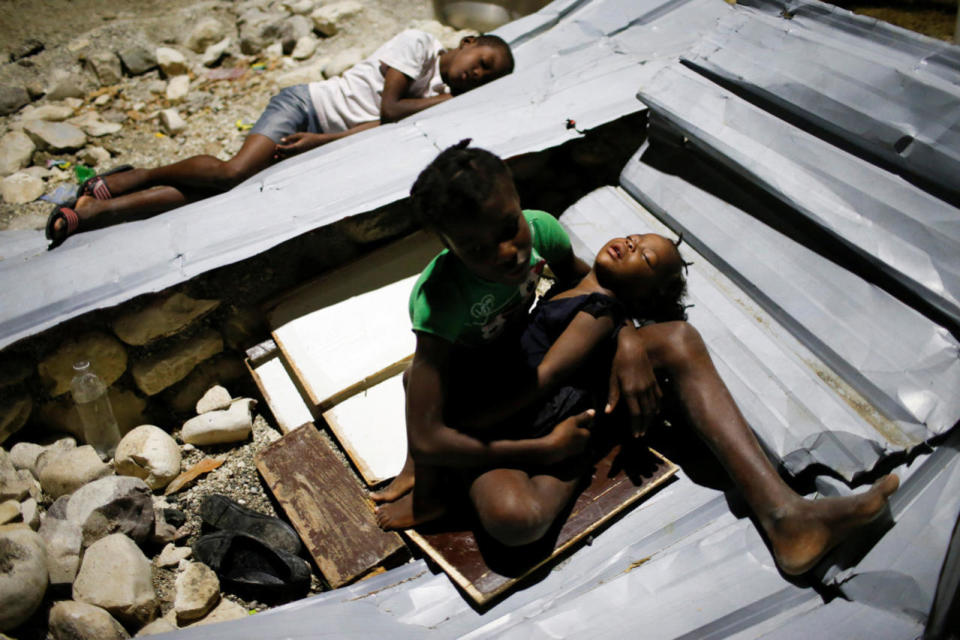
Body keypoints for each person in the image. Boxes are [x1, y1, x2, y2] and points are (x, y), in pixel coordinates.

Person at [374, 140, 899, 576]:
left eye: (510, 225)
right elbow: (428, 435)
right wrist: (540, 448)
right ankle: (571, 450)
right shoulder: (439, 299)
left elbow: (589, 287)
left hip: (553, 378)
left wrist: (625, 339)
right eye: (479, 247)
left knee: (678, 341)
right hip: (491, 417)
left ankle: (786, 517)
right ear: (445, 244)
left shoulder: (541, 230)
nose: (509, 252)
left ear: (517, 198)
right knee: (517, 522)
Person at [45, 30, 515, 247]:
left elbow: (378, 126)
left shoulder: (436, 94)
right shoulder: (420, 45)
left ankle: (97, 211)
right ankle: (136, 176)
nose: (474, 74)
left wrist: (318, 143)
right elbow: (391, 108)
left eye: (483, 78)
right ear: (469, 40)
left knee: (220, 189)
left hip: (316, 134)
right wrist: (447, 103)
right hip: (302, 105)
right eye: (481, 62)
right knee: (233, 171)